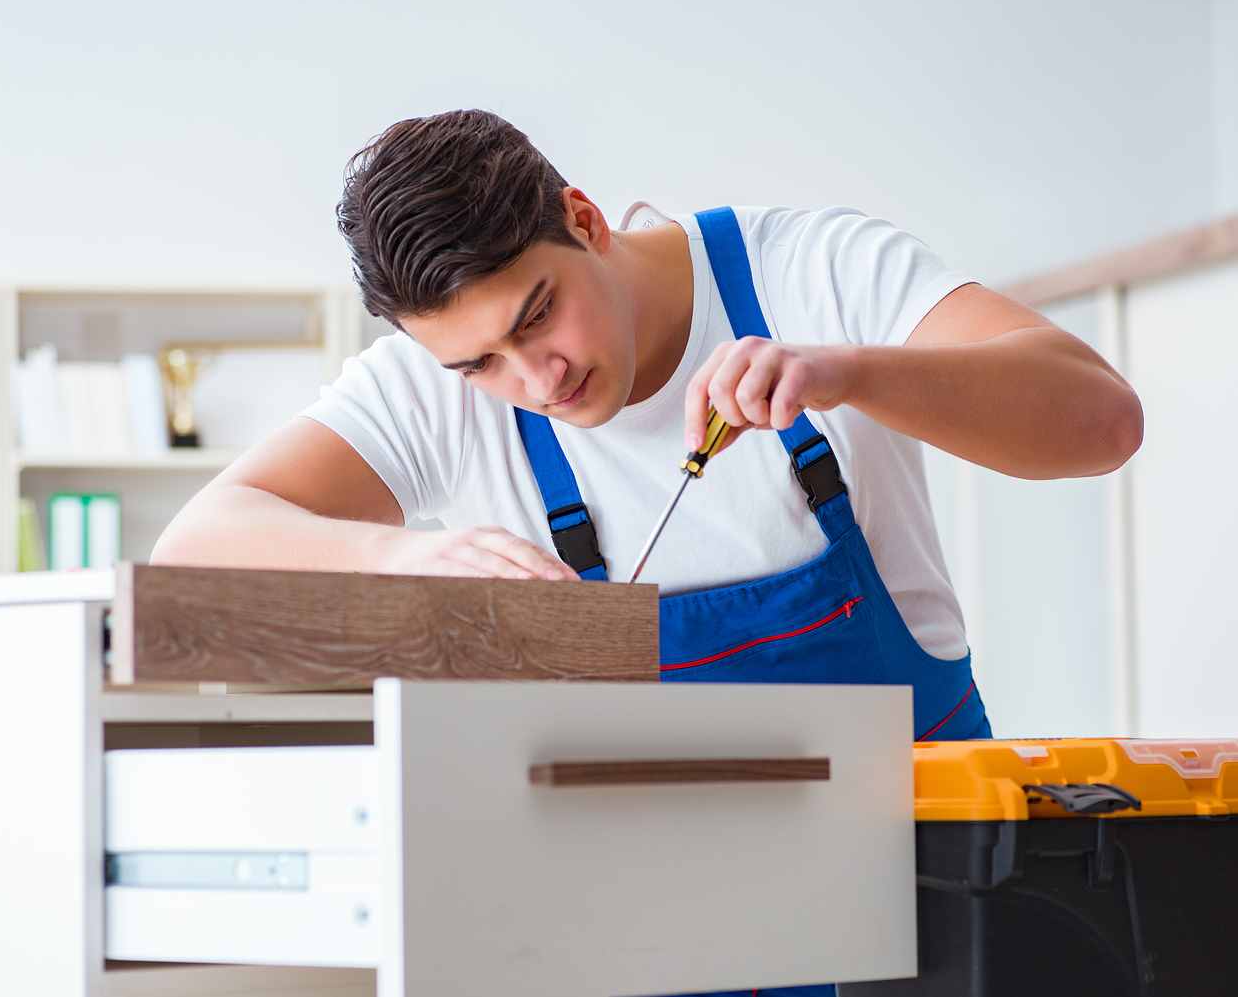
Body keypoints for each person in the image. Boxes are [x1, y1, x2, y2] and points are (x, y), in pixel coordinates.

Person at [151, 110, 1142, 997]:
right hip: (659, 928)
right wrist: (405, 555)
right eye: (478, 363)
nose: (536, 379)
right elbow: (194, 548)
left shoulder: (811, 267)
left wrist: (846, 371)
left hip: (939, 887)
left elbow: (1103, 419)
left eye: (536, 315)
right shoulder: (432, 388)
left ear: (583, 217)